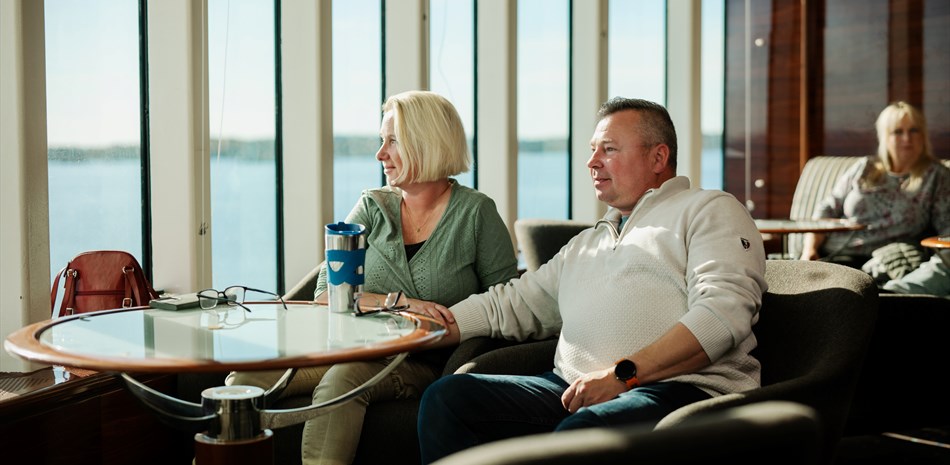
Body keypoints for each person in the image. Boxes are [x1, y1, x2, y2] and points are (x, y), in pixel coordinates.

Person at [416, 97, 768, 464]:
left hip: (679, 391)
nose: (592, 162)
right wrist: (428, 326)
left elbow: (722, 314)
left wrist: (621, 376)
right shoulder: (585, 243)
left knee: (583, 434)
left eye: (609, 149)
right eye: (592, 150)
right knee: (448, 398)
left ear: (658, 157)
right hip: (572, 389)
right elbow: (514, 304)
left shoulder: (709, 210)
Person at [226, 90, 519, 465]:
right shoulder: (372, 206)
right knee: (244, 381)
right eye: (383, 140)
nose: (381, 154)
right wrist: (402, 304)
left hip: (421, 361)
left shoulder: (476, 213)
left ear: (426, 143)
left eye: (393, 141)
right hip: (354, 346)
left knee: (341, 381)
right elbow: (327, 293)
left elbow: (505, 302)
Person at [800, 101, 950, 268]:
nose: (907, 138)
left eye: (914, 130)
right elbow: (826, 209)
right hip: (830, 255)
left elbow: (947, 228)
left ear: (923, 135)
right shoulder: (866, 167)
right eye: (898, 132)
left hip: (883, 263)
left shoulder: (936, 176)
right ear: (885, 137)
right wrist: (809, 249)